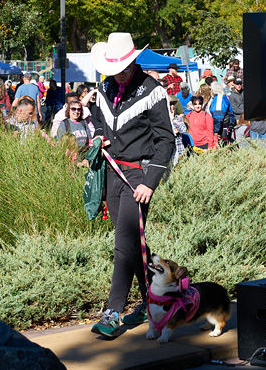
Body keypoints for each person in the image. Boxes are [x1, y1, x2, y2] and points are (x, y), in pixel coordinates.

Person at [90, 32, 175, 337]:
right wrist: (99, 135)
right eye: (114, 68)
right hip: (112, 173)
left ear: (134, 61)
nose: (118, 74)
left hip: (139, 176)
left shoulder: (152, 90)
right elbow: (97, 118)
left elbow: (166, 141)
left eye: (123, 67)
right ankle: (157, 298)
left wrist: (151, 182)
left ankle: (113, 311)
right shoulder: (104, 87)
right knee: (132, 242)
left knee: (124, 243)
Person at [56, 100, 92, 166]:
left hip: (84, 155)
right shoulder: (64, 123)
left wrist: (88, 158)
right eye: (73, 109)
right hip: (71, 157)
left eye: (79, 109)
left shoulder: (83, 122)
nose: (76, 111)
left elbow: (89, 140)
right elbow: (59, 142)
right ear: (69, 110)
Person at [229, 77, 248, 142]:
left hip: (247, 117)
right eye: (237, 84)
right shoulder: (232, 96)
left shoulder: (244, 92)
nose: (239, 85)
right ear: (234, 84)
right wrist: (246, 111)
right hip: (238, 119)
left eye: (240, 84)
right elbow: (235, 110)